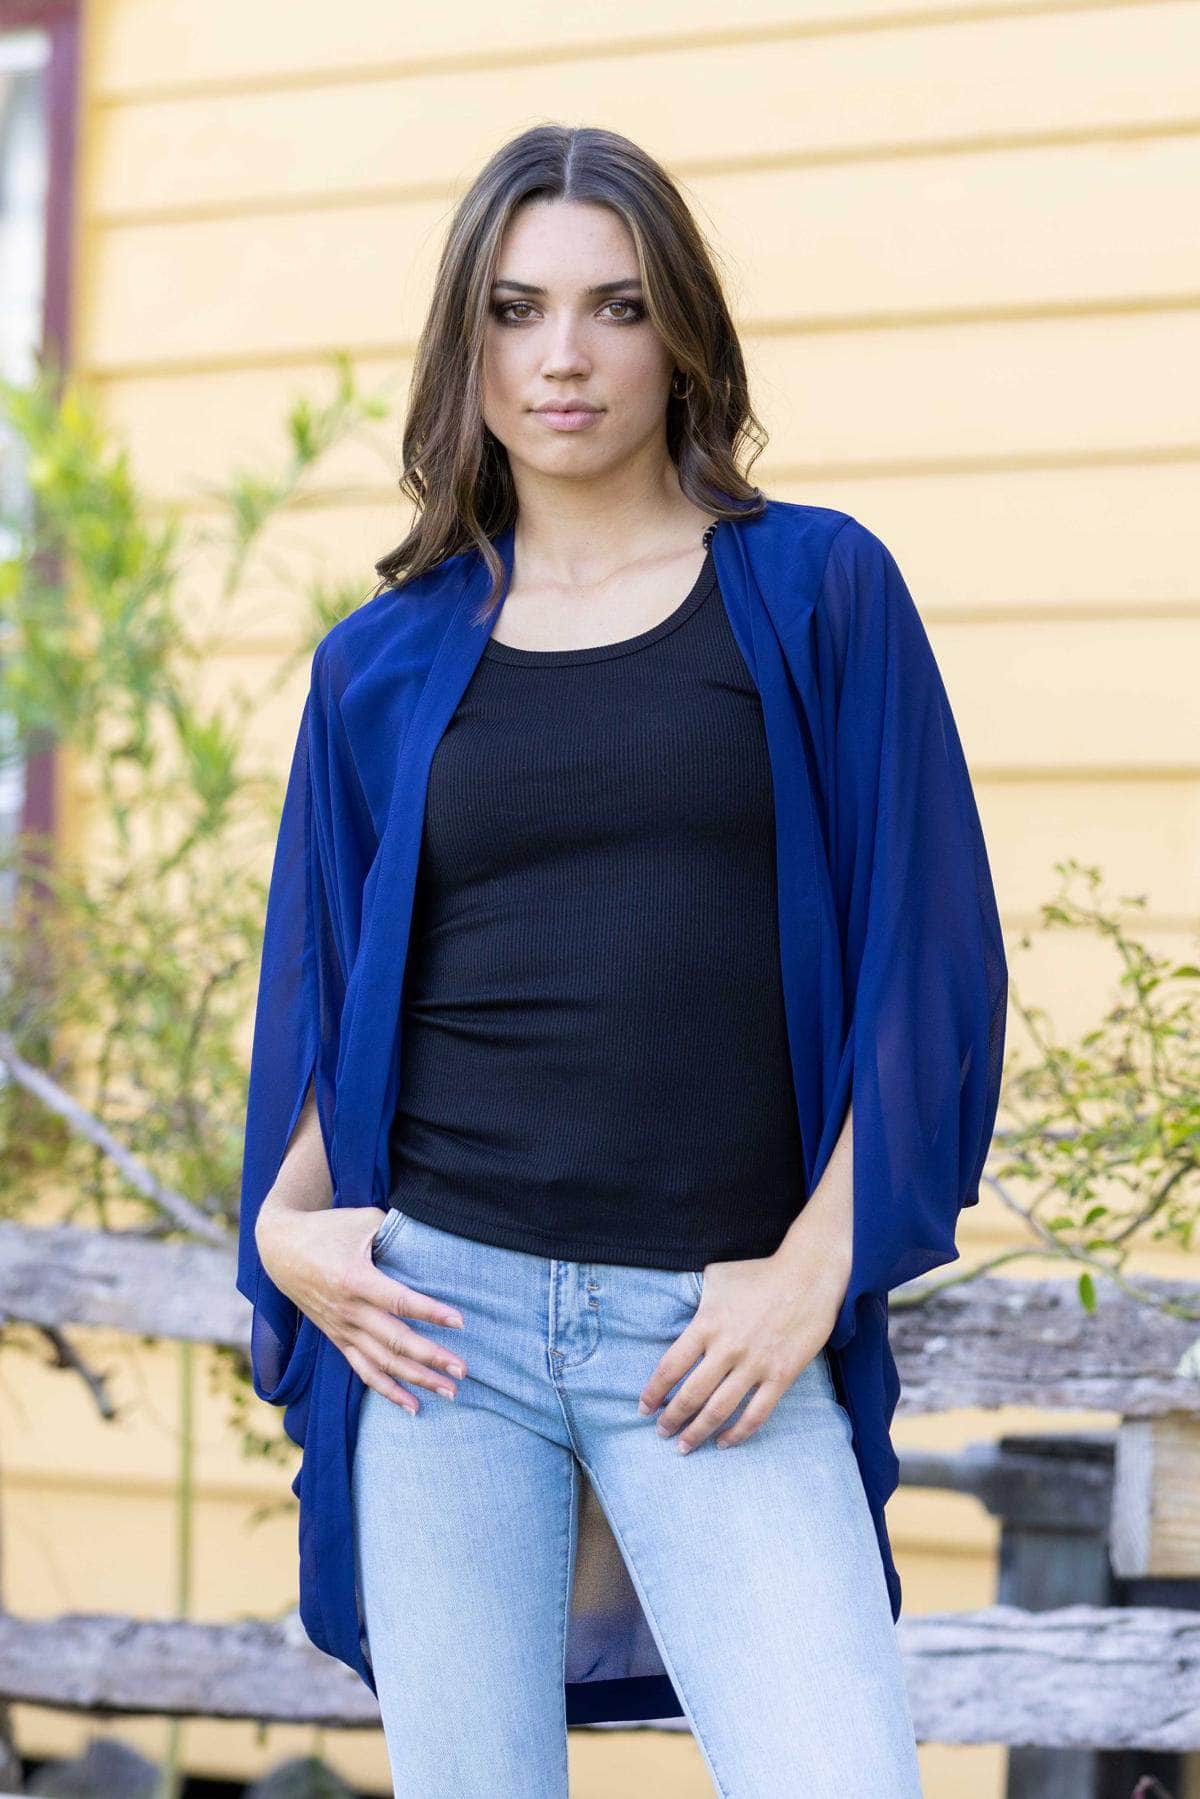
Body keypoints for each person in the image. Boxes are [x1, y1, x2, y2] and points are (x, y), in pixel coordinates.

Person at [241, 123, 1006, 1798]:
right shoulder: (380, 664)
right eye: (516, 311)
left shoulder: (815, 592)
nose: (565, 357)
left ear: (684, 337)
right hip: (442, 1334)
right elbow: (338, 1003)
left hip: (712, 1337)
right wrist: (286, 1232)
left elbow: (929, 967)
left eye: (618, 306)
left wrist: (810, 1270)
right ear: (467, 344)